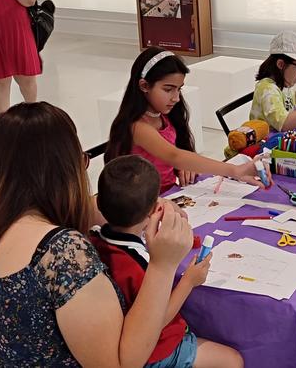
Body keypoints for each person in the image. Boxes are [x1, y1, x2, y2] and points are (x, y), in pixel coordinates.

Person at [0, 102, 195, 366]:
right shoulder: (64, 254)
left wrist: (144, 202)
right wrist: (163, 266)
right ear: (66, 169)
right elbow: (121, 363)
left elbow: (92, 207)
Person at [91, 155, 244, 368]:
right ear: (155, 209)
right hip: (153, 350)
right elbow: (156, 320)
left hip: (125, 342)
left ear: (98, 202)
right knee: (232, 360)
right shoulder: (137, 264)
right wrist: (189, 281)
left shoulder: (94, 238)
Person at [105, 46, 272, 193]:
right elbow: (173, 155)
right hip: (143, 206)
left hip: (171, 195)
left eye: (179, 89)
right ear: (144, 86)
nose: (176, 98)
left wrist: (182, 167)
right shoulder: (137, 127)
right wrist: (235, 171)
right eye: (168, 89)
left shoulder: (165, 116)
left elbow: (174, 158)